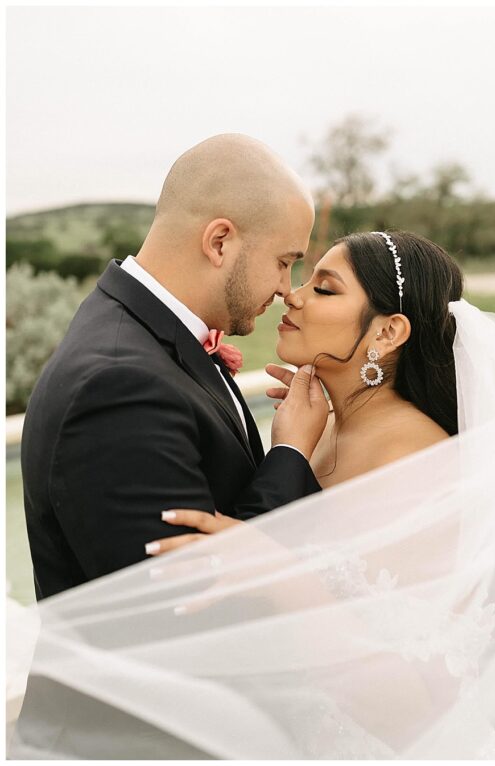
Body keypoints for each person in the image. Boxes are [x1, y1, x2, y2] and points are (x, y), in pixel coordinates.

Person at [10, 225, 495, 758]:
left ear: (388, 333)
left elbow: (422, 710)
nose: (291, 294)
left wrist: (282, 576)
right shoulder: (316, 431)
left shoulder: (419, 468)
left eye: (324, 287)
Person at [20, 134, 326, 601]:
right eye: (284, 262)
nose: (287, 288)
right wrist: (291, 454)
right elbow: (190, 610)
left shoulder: (153, 333)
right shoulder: (118, 386)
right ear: (220, 241)